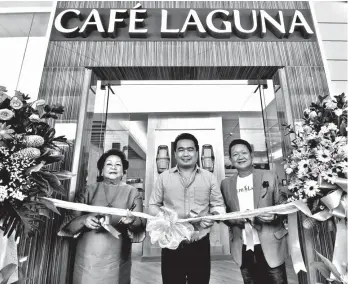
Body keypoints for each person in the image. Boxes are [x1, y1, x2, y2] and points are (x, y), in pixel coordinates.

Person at [58, 149, 145, 284]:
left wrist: (132, 220)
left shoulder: (132, 193)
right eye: (109, 164)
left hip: (118, 257)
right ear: (101, 169)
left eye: (118, 164)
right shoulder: (88, 190)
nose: (114, 167)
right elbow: (68, 226)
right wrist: (84, 220)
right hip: (87, 258)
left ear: (123, 171)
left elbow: (139, 227)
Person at [149, 133, 226, 284]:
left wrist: (212, 217)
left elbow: (219, 206)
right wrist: (166, 219)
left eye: (190, 149)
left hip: (200, 242)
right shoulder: (163, 177)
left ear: (197, 153)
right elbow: (153, 205)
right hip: (171, 242)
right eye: (181, 150)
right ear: (175, 153)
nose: (186, 154)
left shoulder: (209, 177)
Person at [221, 139, 288, 284]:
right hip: (243, 245)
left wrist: (274, 215)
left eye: (244, 152)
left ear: (251, 155)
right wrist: (236, 220)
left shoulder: (269, 176)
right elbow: (224, 214)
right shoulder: (226, 184)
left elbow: (283, 205)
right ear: (230, 159)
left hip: (270, 242)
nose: (240, 157)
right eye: (235, 154)